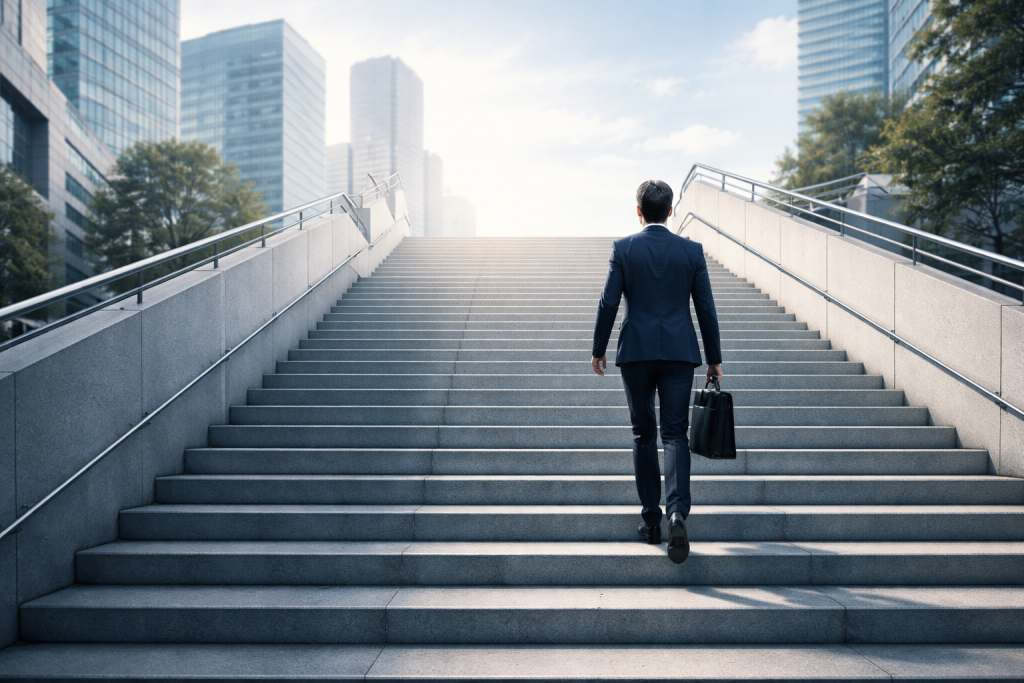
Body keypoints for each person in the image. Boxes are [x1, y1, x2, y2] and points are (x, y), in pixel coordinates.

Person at [590, 179, 723, 564]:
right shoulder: (692, 250)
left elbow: (608, 301)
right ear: (670, 212)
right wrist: (714, 358)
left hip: (636, 354)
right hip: (680, 354)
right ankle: (677, 513)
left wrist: (598, 349)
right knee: (675, 434)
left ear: (638, 211)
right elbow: (706, 309)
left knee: (643, 434)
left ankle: (650, 521)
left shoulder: (624, 248)